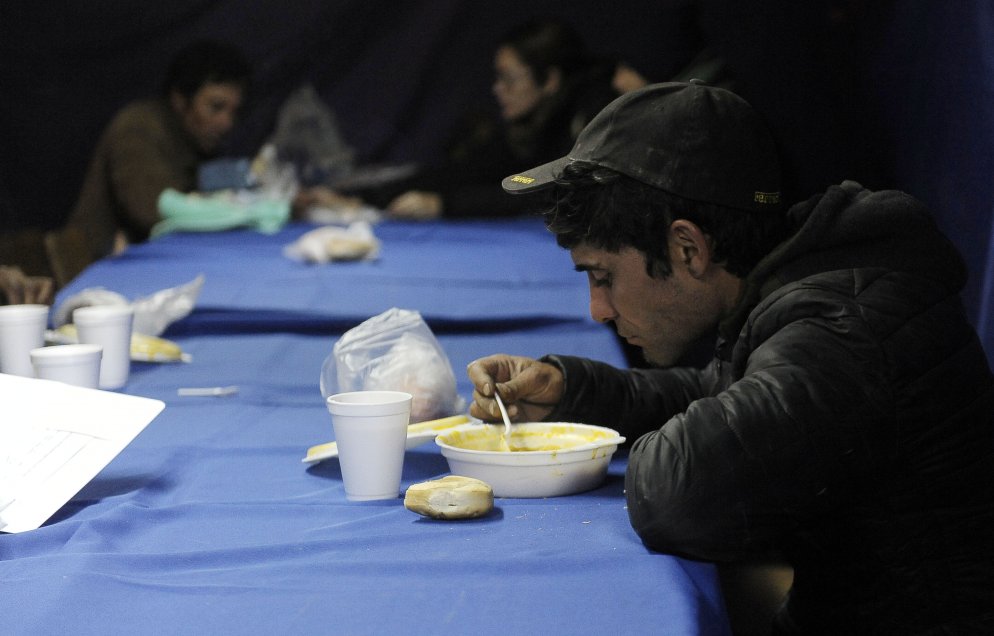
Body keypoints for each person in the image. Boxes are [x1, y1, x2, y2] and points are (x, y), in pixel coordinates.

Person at [467, 82, 994, 634]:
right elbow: (724, 394)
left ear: (688, 249)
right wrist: (570, 390)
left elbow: (680, 496)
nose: (597, 310)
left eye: (604, 277)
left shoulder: (842, 333)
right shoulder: (813, 284)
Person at [296, 19, 620, 220]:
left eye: (509, 79)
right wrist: (360, 197)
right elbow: (469, 172)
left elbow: (545, 191)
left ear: (549, 80)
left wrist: (444, 204)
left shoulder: (592, 120)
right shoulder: (532, 124)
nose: (497, 89)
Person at [62, 39, 251, 270]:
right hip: (96, 273)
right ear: (180, 100)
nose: (227, 123)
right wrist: (243, 210)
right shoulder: (138, 128)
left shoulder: (196, 138)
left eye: (234, 111)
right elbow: (153, 211)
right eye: (216, 106)